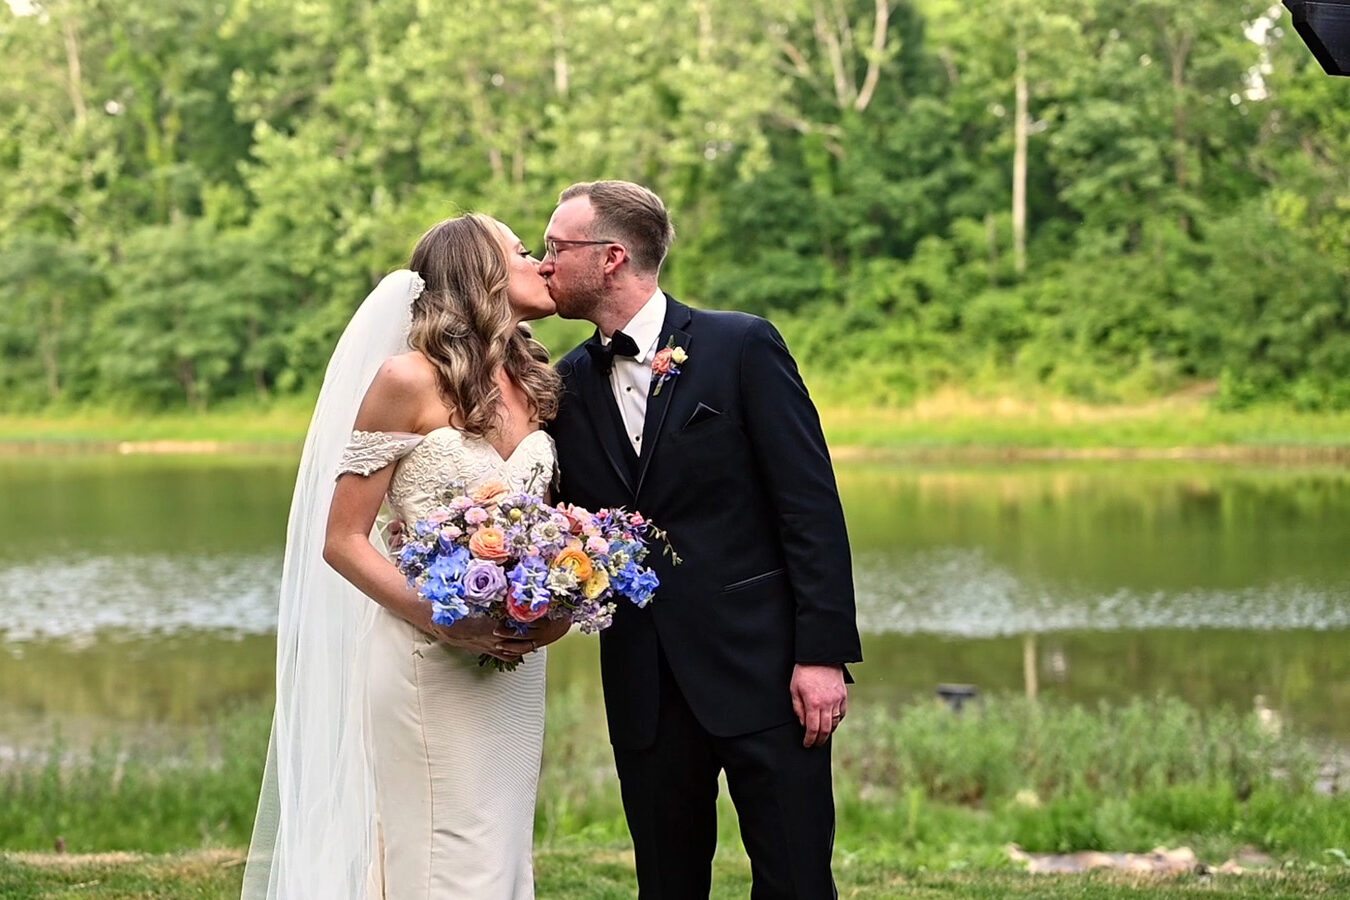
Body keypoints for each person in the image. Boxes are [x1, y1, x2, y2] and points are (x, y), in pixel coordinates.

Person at [543, 181, 863, 899]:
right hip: (645, 683)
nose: (544, 263)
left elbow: (809, 507)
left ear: (612, 257)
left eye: (557, 249)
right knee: (667, 884)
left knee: (796, 880)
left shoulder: (741, 346)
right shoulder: (564, 384)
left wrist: (822, 654)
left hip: (765, 668)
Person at [241, 213, 568, 900]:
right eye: (522, 251)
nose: (540, 261)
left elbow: (544, 527)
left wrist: (558, 606)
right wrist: (441, 618)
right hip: (428, 659)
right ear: (481, 273)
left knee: (500, 855)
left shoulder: (533, 380)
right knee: (444, 858)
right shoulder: (407, 379)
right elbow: (342, 539)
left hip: (513, 664)